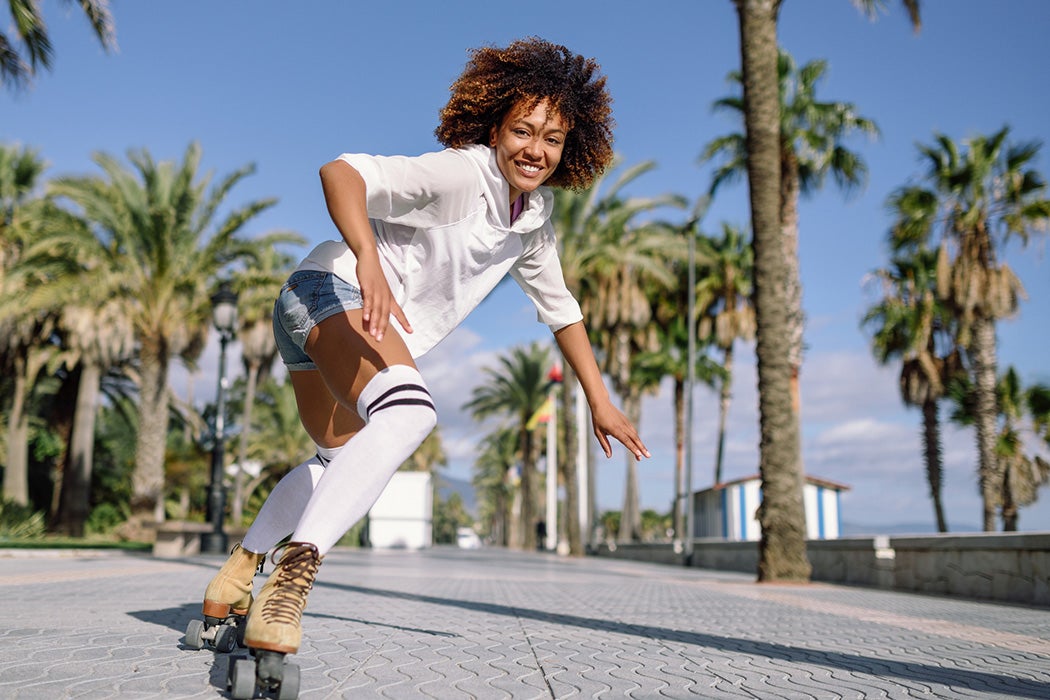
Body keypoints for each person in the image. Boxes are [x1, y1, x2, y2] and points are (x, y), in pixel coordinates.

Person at [197, 37, 650, 665]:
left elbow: (562, 309)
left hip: (311, 313)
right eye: (523, 130)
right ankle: (289, 586)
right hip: (331, 290)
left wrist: (600, 400)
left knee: (338, 463)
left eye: (552, 139)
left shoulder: (533, 223)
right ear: (495, 127)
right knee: (409, 413)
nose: (535, 150)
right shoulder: (464, 173)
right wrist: (368, 260)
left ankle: (237, 572)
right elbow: (341, 173)